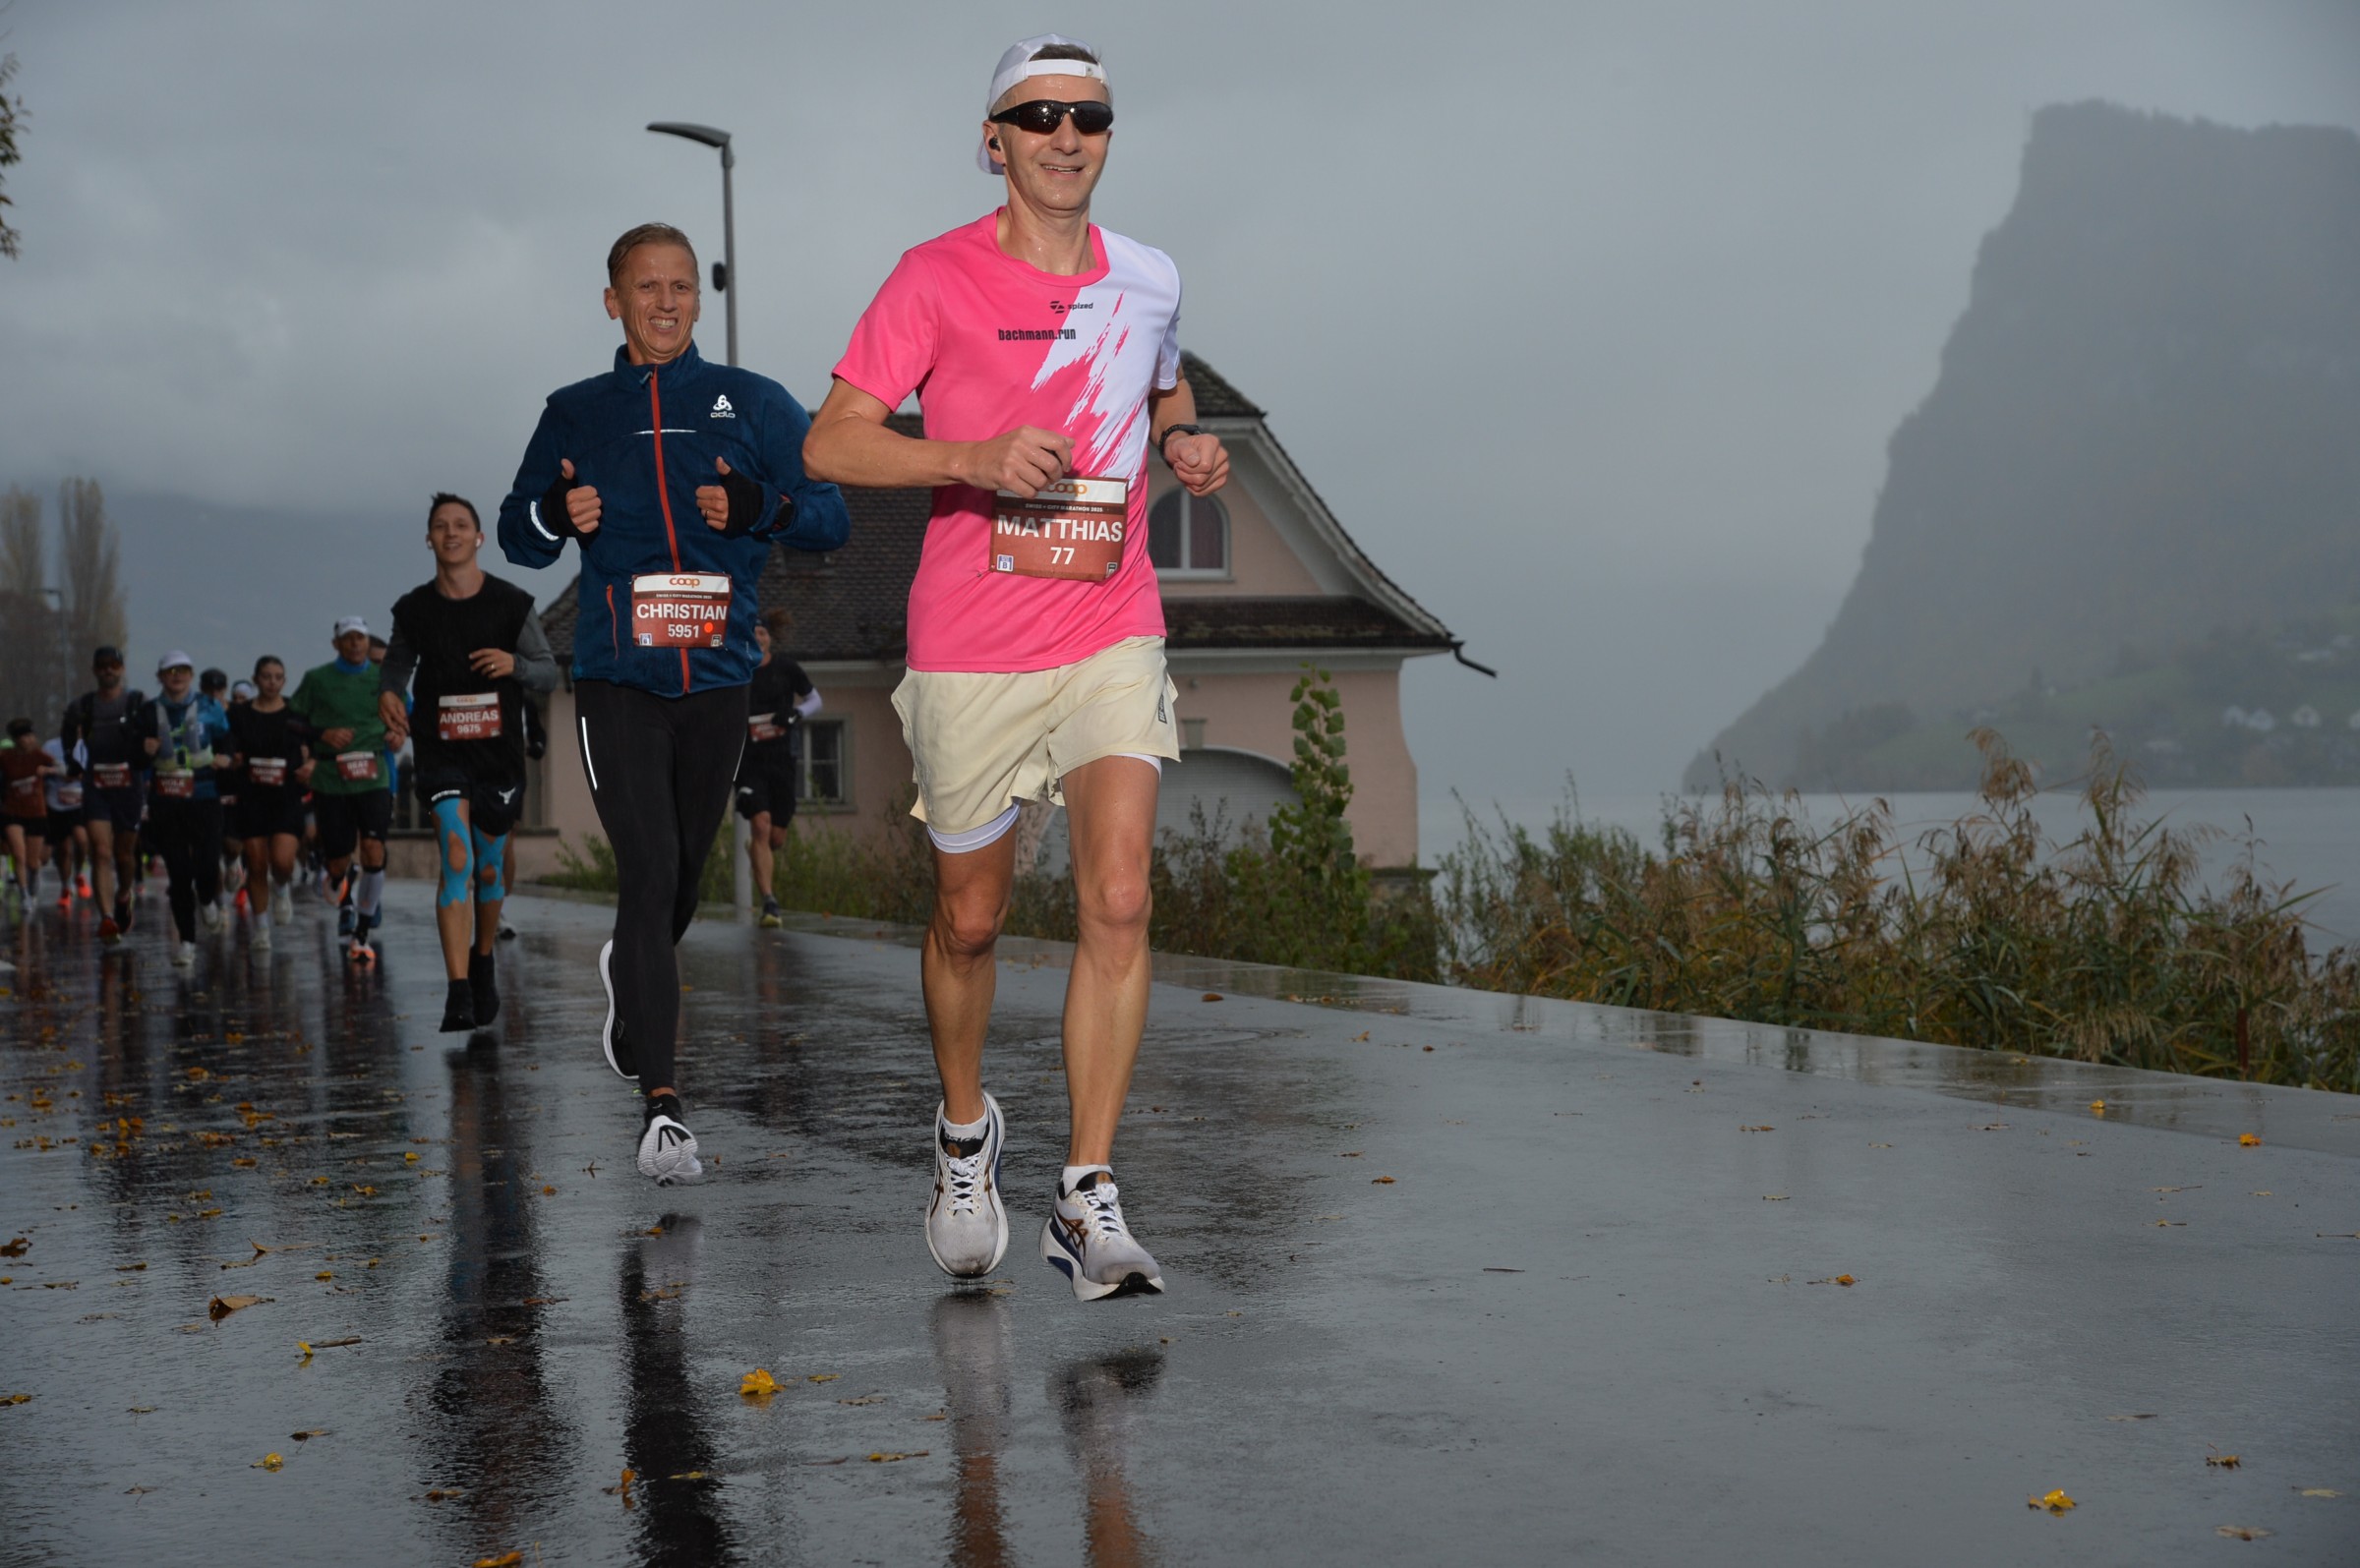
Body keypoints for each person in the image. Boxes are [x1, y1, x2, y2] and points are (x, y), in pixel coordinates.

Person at [803, 34, 1231, 1300]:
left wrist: (1184, 435)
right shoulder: (932, 277)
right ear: (994, 140)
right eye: (1039, 116)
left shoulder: (1146, 276)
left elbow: (1165, 379)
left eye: (1089, 119)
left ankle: (1087, 1190)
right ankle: (962, 1131)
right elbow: (833, 443)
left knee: (1116, 895)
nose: (1066, 137)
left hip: (1110, 621)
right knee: (971, 918)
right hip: (972, 641)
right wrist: (971, 457)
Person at [498, 220, 849, 1185]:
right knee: (648, 870)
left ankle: (633, 971)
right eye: (645, 287)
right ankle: (662, 1105)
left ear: (700, 298)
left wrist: (760, 509)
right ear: (612, 301)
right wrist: (551, 514)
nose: (664, 302)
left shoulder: (755, 404)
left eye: (681, 287)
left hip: (720, 677)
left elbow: (833, 514)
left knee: (683, 878)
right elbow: (517, 534)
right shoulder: (575, 412)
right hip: (616, 675)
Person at [381, 493, 560, 1032]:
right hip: (440, 751)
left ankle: (482, 961)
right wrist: (389, 692)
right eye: (441, 526)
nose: (451, 533)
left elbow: (550, 672)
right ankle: (458, 990)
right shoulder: (414, 609)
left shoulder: (511, 604)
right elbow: (395, 666)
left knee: (487, 865)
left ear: (478, 539)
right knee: (455, 855)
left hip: (497, 755)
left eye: (461, 525)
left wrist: (515, 665)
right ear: (430, 540)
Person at [290, 617, 393, 962]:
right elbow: (292, 720)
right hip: (332, 779)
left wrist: (399, 733)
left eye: (360, 638)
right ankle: (337, 881)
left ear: (367, 642)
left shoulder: (384, 679)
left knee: (374, 849)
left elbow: (405, 714)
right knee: (338, 858)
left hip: (374, 775)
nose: (355, 644)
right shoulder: (317, 679)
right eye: (348, 639)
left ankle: (361, 932)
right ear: (336, 644)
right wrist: (323, 735)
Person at [133, 651, 234, 967]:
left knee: (206, 865)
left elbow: (227, 741)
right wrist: (143, 751)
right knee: (179, 874)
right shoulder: (148, 712)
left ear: (191, 675)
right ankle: (187, 941)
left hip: (204, 796)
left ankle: (206, 899)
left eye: (183, 671)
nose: (176, 676)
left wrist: (226, 758)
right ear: (160, 677)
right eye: (170, 671)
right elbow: (134, 759)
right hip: (167, 801)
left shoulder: (210, 707)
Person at [735, 610, 820, 929]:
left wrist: (795, 714)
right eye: (753, 634)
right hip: (749, 762)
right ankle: (770, 903)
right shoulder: (739, 671)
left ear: (769, 638)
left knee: (776, 837)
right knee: (761, 824)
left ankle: (759, 854)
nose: (758, 638)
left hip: (782, 759)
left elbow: (815, 700)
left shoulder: (786, 668)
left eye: (763, 634)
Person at [60, 645, 148, 941]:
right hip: (96, 785)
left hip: (128, 786)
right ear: (95, 670)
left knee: (124, 855)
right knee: (100, 851)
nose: (108, 669)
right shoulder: (83, 705)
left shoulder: (135, 702)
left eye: (113, 664)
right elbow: (68, 733)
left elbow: (153, 734)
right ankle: (107, 918)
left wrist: (148, 754)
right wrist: (73, 761)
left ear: (121, 669)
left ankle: (124, 895)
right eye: (102, 665)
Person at [223, 656, 311, 951]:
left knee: (283, 862)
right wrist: (232, 758)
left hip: (285, 796)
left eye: (277, 677)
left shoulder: (296, 713)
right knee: (257, 865)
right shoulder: (240, 714)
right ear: (256, 679)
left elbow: (312, 746)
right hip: (252, 797)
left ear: (284, 681)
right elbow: (228, 745)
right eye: (266, 676)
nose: (272, 682)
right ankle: (261, 928)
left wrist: (310, 765)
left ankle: (283, 886)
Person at [1, 718, 55, 909]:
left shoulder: (40, 756)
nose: (29, 740)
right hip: (12, 813)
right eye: (25, 736)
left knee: (33, 861)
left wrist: (48, 770)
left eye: (31, 736)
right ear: (16, 739)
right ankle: (23, 893)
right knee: (18, 854)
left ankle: (34, 879)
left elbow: (65, 770)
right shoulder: (5, 757)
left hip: (36, 813)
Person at [38, 730, 90, 908]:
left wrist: (73, 775)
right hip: (57, 804)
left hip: (79, 802)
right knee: (64, 849)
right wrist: (55, 773)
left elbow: (90, 772)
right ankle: (65, 888)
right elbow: (41, 771)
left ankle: (79, 874)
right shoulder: (50, 746)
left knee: (82, 840)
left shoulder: (86, 746)